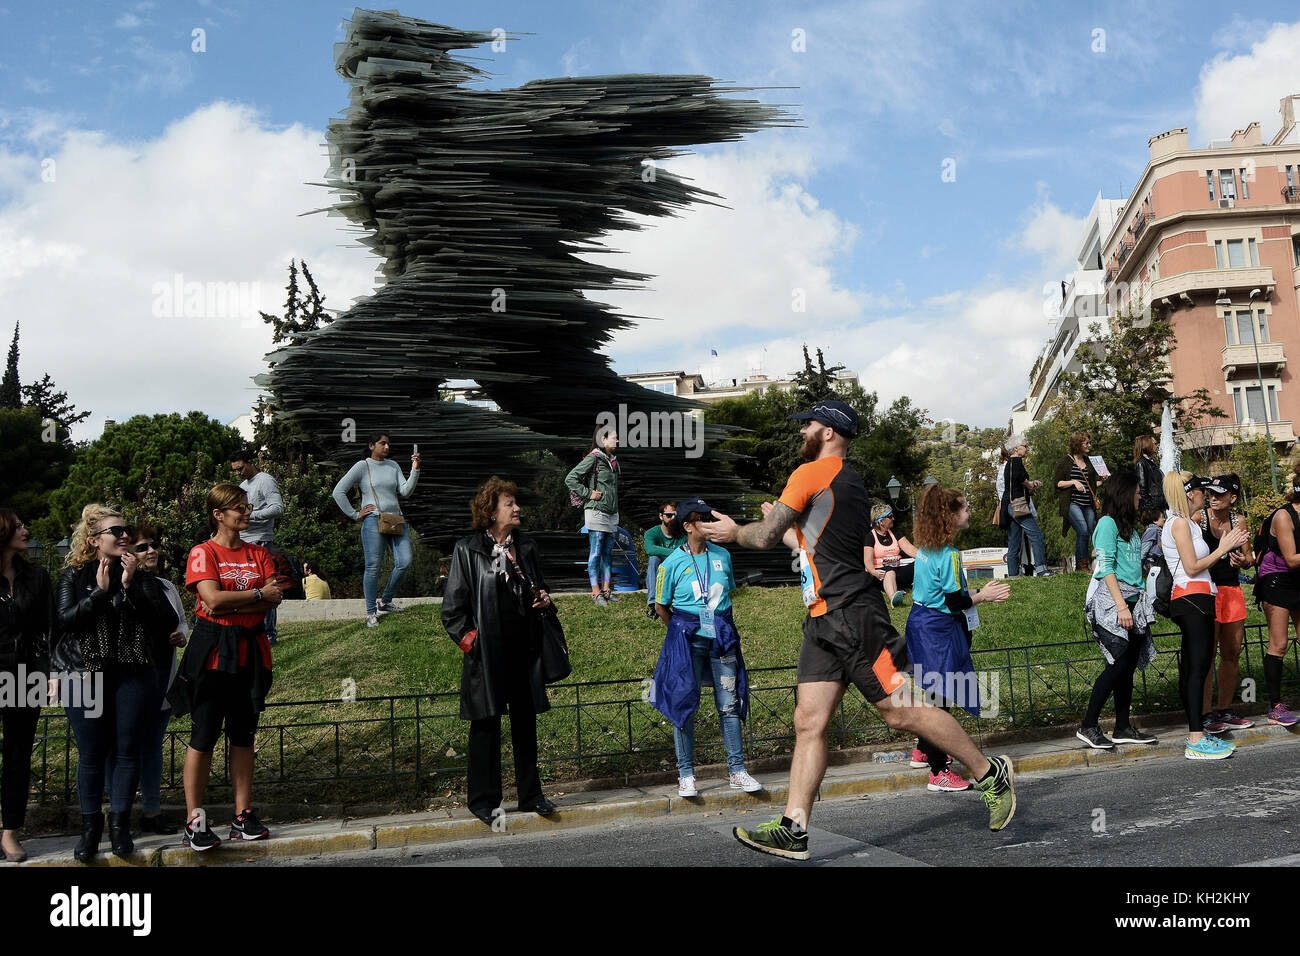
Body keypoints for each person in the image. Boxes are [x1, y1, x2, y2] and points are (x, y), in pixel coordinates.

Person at [703, 399, 1017, 861]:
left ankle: (989, 774)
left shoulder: (811, 473)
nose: (803, 431)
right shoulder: (847, 483)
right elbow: (815, 546)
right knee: (808, 722)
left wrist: (735, 533)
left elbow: (767, 537)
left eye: (808, 424)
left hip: (850, 614)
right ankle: (794, 827)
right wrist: (785, 525)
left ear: (828, 431)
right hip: (822, 618)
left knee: (900, 710)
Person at [54, 504, 178, 862]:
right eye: (116, 531)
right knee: (91, 755)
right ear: (94, 540)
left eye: (126, 530)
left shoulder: (142, 577)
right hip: (84, 675)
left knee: (127, 751)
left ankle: (121, 828)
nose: (125, 535)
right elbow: (64, 622)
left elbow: (166, 622)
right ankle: (90, 830)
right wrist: (100, 592)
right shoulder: (74, 575)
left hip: (133, 674)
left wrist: (131, 587)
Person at [441, 477, 557, 826]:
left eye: (515, 503)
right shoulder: (468, 549)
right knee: (485, 725)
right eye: (509, 504)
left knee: (525, 723)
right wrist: (472, 642)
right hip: (487, 652)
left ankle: (530, 795)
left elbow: (540, 588)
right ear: (491, 511)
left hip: (525, 648)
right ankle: (483, 800)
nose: (517, 508)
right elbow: (452, 610)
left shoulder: (527, 547)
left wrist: (544, 599)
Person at [171, 484, 281, 851]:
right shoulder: (202, 552)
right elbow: (212, 600)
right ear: (218, 514)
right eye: (239, 507)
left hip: (251, 651)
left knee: (244, 734)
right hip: (213, 651)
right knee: (203, 734)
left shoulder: (258, 552)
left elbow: (272, 599)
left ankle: (242, 814)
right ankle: (194, 819)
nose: (246, 513)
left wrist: (240, 602)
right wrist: (252, 596)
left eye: (247, 506)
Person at [650, 498, 761, 797]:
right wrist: (681, 630)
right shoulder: (671, 562)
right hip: (688, 640)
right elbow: (661, 606)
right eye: (703, 519)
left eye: (711, 518)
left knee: (729, 705)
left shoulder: (723, 555)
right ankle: (686, 774)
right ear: (687, 526)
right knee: (684, 705)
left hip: (721, 639)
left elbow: (727, 596)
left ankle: (737, 770)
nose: (710, 524)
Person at [905, 485, 1010, 791]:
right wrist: (985, 595)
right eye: (963, 508)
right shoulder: (950, 555)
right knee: (941, 697)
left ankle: (923, 751)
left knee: (935, 690)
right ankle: (938, 772)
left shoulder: (927, 547)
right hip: (939, 630)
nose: (968, 513)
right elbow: (955, 603)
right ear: (948, 517)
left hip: (921, 623)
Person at [105, 522, 188, 836]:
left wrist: (182, 635)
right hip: (127, 681)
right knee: (120, 749)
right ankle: (118, 813)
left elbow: (181, 620)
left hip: (161, 677)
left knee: (153, 749)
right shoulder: (119, 584)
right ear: (127, 553)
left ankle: (152, 810)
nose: (151, 551)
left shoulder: (166, 586)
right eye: (142, 547)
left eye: (153, 545)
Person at [1162, 472, 1249, 759]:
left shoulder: (1188, 523)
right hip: (1191, 598)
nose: (1206, 495)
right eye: (1201, 490)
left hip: (1200, 598)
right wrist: (1223, 548)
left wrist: (1232, 554)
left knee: (1195, 668)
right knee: (1197, 669)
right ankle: (1196, 739)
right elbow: (1191, 565)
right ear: (1190, 495)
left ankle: (1197, 735)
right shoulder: (1178, 524)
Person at [1077, 469, 1158, 749]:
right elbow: (1106, 569)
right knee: (1117, 664)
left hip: (1134, 602)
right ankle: (1088, 725)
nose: (1139, 497)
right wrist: (1122, 606)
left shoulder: (1129, 528)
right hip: (1114, 604)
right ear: (1124, 494)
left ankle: (1122, 726)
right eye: (1136, 493)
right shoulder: (1107, 525)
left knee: (1127, 668)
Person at [0, 509, 53, 863]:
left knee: (18, 755)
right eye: (18, 526)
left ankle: (10, 832)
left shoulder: (37, 576)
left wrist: (48, 674)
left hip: (23, 674)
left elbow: (47, 630)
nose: (26, 530)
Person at [332, 432, 421, 628]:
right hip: (373, 520)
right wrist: (355, 514)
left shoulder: (393, 465)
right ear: (371, 445)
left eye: (388, 444)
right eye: (382, 443)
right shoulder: (362, 466)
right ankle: (371, 613)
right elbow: (338, 491)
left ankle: (386, 601)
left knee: (405, 561)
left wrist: (415, 469)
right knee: (373, 568)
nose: (387, 447)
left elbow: (405, 491)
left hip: (396, 520)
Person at [1199, 475, 1255, 734]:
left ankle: (1225, 708)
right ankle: (1205, 713)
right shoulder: (1198, 519)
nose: (1213, 497)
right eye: (1211, 492)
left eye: (1220, 494)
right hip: (1207, 591)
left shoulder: (1238, 520)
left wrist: (1242, 562)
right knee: (1207, 656)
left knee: (1231, 653)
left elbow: (1249, 558)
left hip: (1231, 590)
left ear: (1232, 498)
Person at [1251, 458, 1300, 727]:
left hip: (1298, 578)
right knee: (1279, 643)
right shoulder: (1283, 516)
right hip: (1277, 579)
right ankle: (1275, 707)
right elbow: (1292, 559)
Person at [565, 424, 620, 606]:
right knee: (595, 553)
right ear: (603, 439)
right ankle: (595, 592)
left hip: (611, 513)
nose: (617, 441)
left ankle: (607, 590)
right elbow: (570, 478)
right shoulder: (594, 458)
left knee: (608, 553)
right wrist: (589, 493)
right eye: (614, 438)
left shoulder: (612, 460)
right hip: (596, 512)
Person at [233, 448, 284, 645]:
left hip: (261, 540)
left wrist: (249, 516)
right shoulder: (242, 486)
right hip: (244, 539)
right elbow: (246, 510)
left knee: (266, 587)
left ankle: (269, 634)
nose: (238, 473)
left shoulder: (265, 480)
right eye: (235, 470)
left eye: (241, 468)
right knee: (248, 587)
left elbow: (277, 508)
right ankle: (254, 631)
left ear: (250, 463)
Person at [1055, 431, 1104, 572]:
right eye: (1086, 442)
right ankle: (1082, 565)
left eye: (1089, 442)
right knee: (1082, 530)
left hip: (1087, 504)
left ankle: (1083, 564)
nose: (1089, 445)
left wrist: (1103, 480)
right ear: (1077, 444)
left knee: (1087, 533)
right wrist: (1073, 482)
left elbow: (1092, 484)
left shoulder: (1089, 461)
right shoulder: (1066, 462)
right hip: (1072, 503)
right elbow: (1057, 483)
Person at [1002, 435, 1049, 577]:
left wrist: (1030, 484)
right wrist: (1030, 485)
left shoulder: (1010, 463)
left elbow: (1016, 480)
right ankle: (1041, 569)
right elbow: (1019, 478)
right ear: (1016, 449)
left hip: (1008, 505)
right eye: (1025, 446)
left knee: (1014, 542)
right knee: (1036, 535)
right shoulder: (1016, 461)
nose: (1026, 449)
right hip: (1017, 504)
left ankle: (1013, 576)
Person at [866, 503, 918, 608]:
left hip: (896, 570)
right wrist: (873, 572)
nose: (893, 518)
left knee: (919, 564)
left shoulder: (895, 533)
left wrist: (928, 558)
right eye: (890, 517)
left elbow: (911, 550)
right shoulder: (870, 537)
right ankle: (893, 598)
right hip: (879, 574)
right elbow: (867, 561)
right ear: (880, 521)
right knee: (889, 571)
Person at [642, 501, 684, 620]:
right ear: (661, 516)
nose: (673, 518)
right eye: (669, 515)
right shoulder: (652, 533)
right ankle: (653, 604)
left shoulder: (683, 533)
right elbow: (650, 549)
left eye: (676, 515)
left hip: (676, 570)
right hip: (659, 571)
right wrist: (676, 552)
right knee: (653, 559)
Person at [1134, 434, 1167, 514]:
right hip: (1153, 509)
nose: (1157, 446)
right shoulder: (1141, 463)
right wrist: (1151, 508)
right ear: (1147, 445)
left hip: (1158, 506)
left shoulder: (1150, 462)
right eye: (1155, 444)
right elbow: (1143, 489)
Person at [1140, 509, 1164, 575]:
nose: (1164, 519)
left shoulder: (1159, 530)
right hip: (1152, 563)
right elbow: (1144, 549)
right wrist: (1139, 565)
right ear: (1155, 521)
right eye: (1162, 517)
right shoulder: (1152, 530)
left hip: (1159, 562)